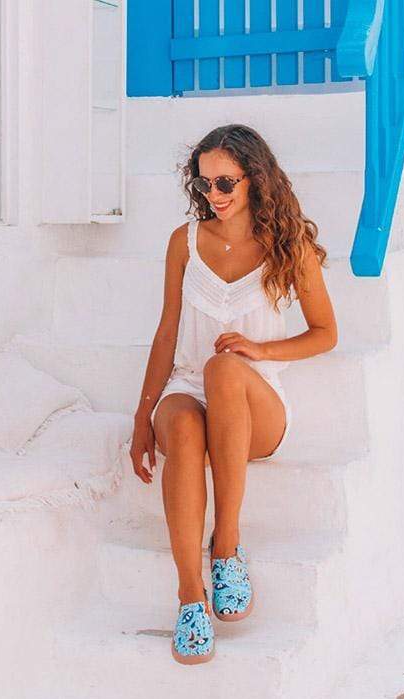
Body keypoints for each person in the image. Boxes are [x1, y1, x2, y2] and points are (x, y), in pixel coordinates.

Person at [129, 124, 337, 665]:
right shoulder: (184, 242)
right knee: (181, 422)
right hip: (188, 386)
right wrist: (141, 418)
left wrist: (260, 351)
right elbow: (167, 332)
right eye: (204, 184)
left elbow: (325, 334)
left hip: (254, 399)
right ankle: (190, 597)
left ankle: (226, 544)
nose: (214, 195)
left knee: (224, 367)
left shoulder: (287, 246)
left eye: (226, 183)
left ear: (255, 179)